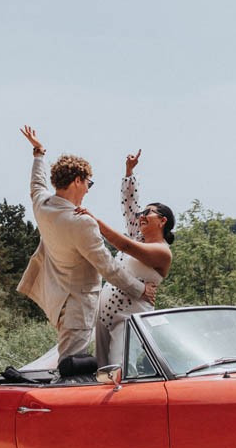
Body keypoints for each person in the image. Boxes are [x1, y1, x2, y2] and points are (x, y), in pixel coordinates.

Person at [16, 126, 157, 363]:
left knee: (74, 366)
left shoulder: (42, 205)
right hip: (77, 309)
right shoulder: (81, 223)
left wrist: (38, 153)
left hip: (57, 301)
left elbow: (37, 185)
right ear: (78, 180)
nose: (88, 191)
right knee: (71, 369)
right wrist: (141, 291)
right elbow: (108, 267)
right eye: (88, 184)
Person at [75, 149, 174, 367]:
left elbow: (124, 245)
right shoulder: (137, 234)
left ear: (163, 221)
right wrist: (129, 173)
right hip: (103, 315)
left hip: (129, 320)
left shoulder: (162, 251)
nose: (142, 216)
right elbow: (130, 207)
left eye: (149, 213)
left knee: (119, 368)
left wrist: (94, 220)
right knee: (102, 371)